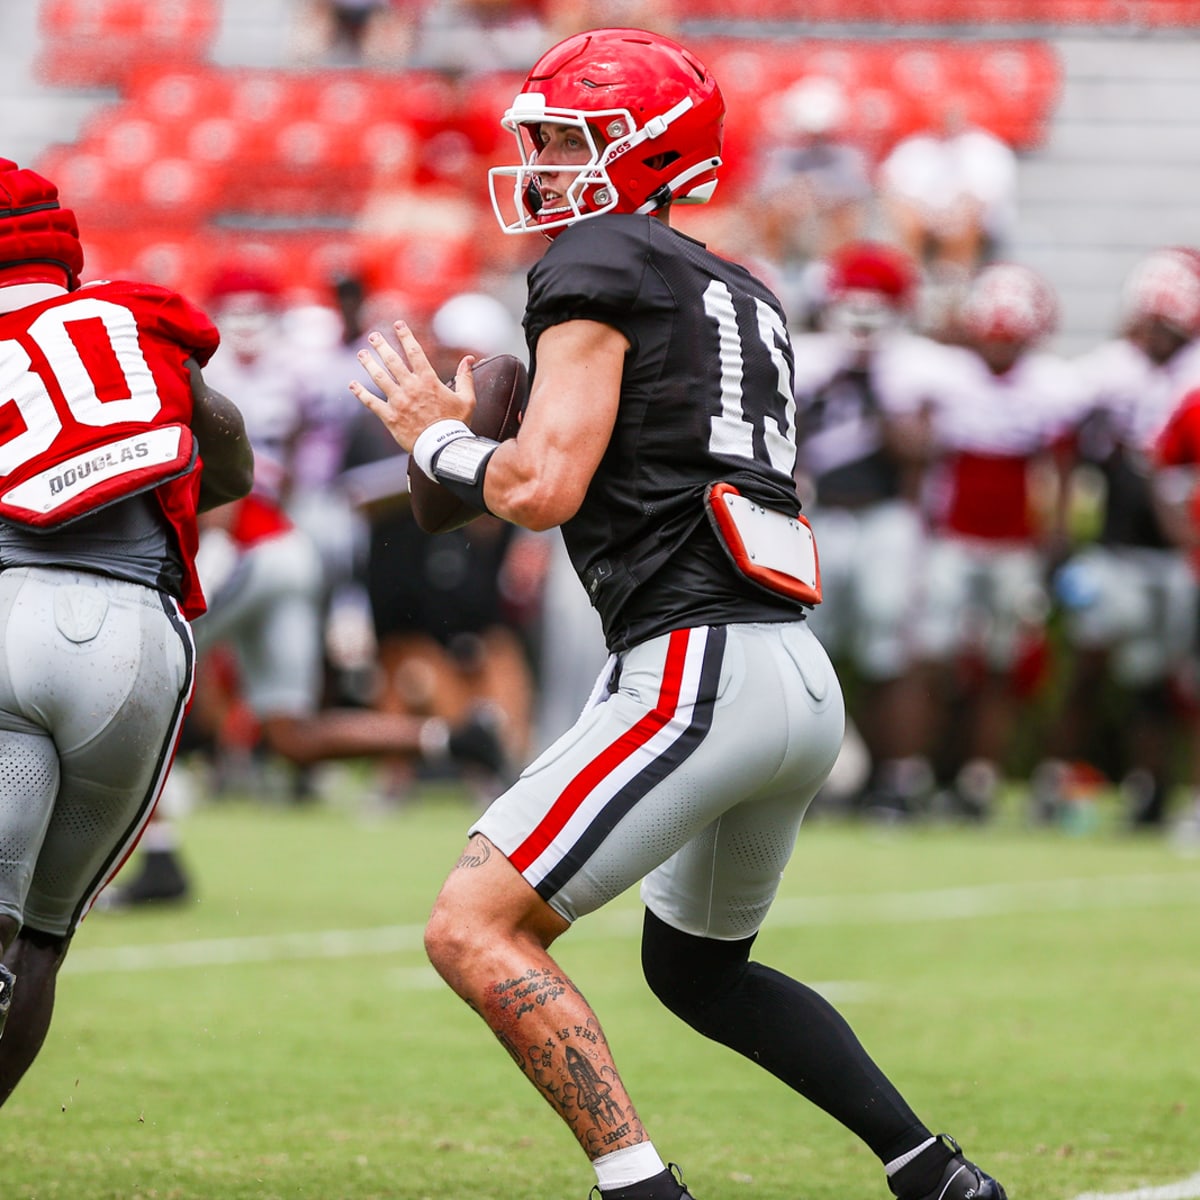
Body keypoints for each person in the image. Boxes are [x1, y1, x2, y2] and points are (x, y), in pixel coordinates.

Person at [350, 28, 1006, 1200]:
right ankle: (933, 1174)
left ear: (643, 150)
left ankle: (641, 1189)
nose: (543, 164)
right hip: (788, 675)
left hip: (696, 668)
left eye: (566, 139)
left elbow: (543, 489)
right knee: (698, 973)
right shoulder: (742, 287)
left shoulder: (598, 259)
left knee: (472, 926)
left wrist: (437, 440)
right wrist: (467, 459)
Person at [0, 157, 254, 1101]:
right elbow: (229, 463)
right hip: (127, 633)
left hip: (1, 606)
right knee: (43, 935)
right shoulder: (135, 319)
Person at [792, 241, 955, 818]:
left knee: (890, 655)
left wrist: (874, 388)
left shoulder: (916, 366)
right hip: (818, 517)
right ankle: (811, 782)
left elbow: (920, 452)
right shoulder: (805, 360)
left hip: (888, 520)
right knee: (808, 656)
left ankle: (895, 779)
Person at [1042, 247, 1200, 826]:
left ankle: (1154, 793)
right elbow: (1057, 437)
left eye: (1172, 325)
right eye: (1152, 322)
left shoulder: (1192, 378)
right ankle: (1056, 782)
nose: (1159, 335)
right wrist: (1059, 524)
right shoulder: (1105, 371)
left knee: (1163, 682)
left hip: (1178, 557)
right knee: (1088, 666)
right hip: (1114, 548)